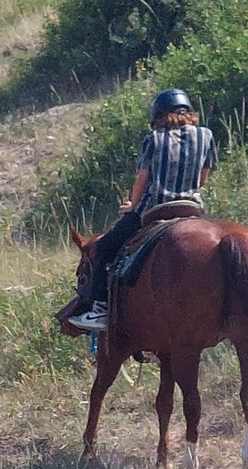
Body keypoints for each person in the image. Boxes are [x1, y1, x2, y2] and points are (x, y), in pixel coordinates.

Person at [67, 87, 217, 332]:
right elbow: (202, 179)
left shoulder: (155, 138)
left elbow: (142, 178)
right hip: (191, 208)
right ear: (189, 112)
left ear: (159, 115)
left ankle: (100, 311)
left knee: (105, 247)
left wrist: (132, 206)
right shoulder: (206, 136)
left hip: (155, 208)